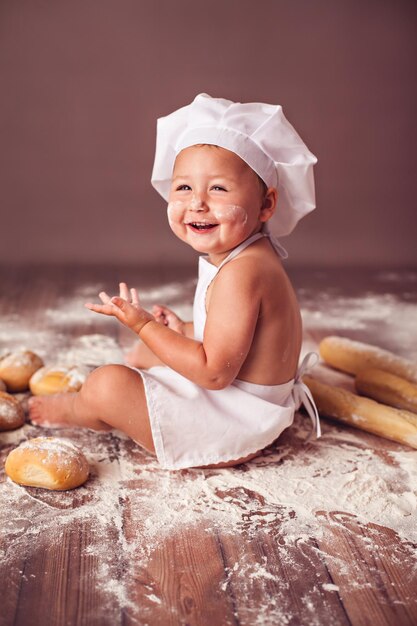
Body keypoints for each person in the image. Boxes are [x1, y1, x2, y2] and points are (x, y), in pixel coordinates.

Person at [29, 93, 320, 469]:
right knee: (146, 354)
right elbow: (239, 336)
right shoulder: (252, 257)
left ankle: (76, 408)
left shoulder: (243, 272)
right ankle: (115, 394)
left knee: (107, 385)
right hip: (254, 404)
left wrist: (144, 325)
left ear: (266, 204)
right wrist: (182, 328)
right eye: (184, 188)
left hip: (237, 423)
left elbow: (214, 372)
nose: (197, 202)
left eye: (218, 188)